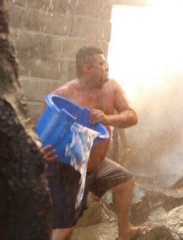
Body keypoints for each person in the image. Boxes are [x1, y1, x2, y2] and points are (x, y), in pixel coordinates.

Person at [46, 46, 142, 240]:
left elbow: (132, 116)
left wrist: (108, 119)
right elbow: (45, 133)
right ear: (87, 69)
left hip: (98, 164)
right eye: (102, 63)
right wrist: (44, 154)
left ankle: (124, 230)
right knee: (64, 227)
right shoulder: (64, 94)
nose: (107, 67)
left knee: (126, 181)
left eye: (106, 63)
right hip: (70, 168)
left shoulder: (112, 87)